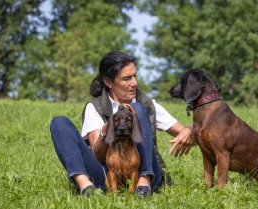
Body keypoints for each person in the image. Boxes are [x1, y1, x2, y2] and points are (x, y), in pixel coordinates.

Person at [50, 51, 195, 198]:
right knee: (59, 123)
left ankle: (143, 184)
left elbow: (190, 135)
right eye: (127, 79)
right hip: (107, 176)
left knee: (137, 108)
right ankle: (86, 188)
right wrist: (106, 131)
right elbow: (99, 155)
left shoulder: (146, 105)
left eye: (135, 76)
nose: (134, 83)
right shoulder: (95, 107)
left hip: (149, 177)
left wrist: (190, 129)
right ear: (108, 82)